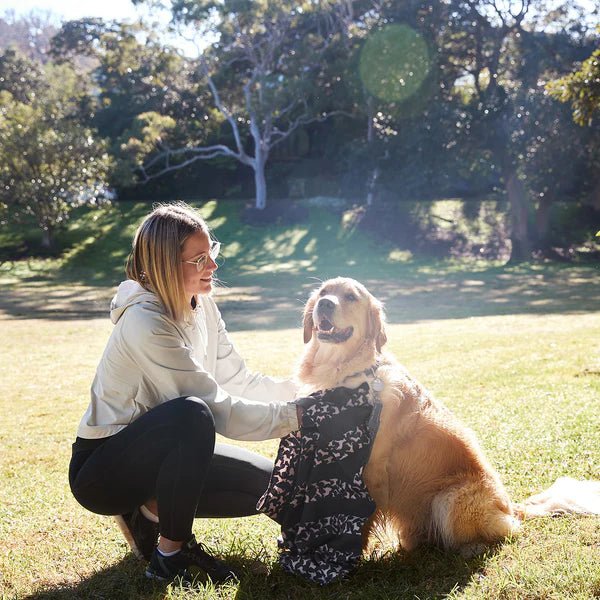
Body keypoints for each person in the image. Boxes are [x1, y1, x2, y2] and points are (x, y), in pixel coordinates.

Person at [68, 202, 301, 585]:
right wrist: (299, 417)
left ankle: (152, 511)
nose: (213, 267)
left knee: (273, 487)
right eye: (199, 259)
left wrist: (306, 393)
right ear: (164, 265)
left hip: (170, 451)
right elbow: (214, 408)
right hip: (103, 471)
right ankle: (170, 555)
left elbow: (238, 378)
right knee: (192, 413)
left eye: (212, 253)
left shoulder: (203, 305)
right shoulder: (144, 321)